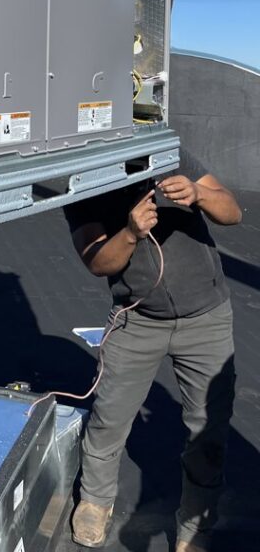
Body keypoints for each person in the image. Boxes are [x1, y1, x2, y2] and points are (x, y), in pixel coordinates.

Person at [64, 161, 241, 551]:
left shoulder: (171, 154)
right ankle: (95, 500)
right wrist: (129, 233)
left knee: (208, 429)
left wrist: (200, 194)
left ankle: (195, 526)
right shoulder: (83, 178)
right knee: (110, 415)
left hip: (206, 318)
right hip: (137, 320)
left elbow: (233, 211)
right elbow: (97, 262)